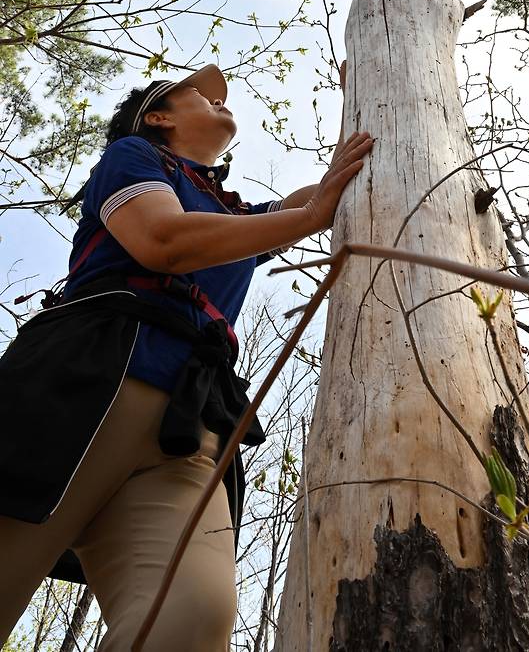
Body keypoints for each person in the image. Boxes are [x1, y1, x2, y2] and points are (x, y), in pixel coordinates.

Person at [0, 61, 374, 651]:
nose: (217, 99)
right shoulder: (134, 156)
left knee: (192, 618)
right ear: (158, 117)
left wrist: (365, 101)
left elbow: (325, 193)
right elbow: (163, 240)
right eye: (197, 93)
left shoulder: (228, 213)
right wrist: (306, 216)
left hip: (193, 423)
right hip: (81, 385)